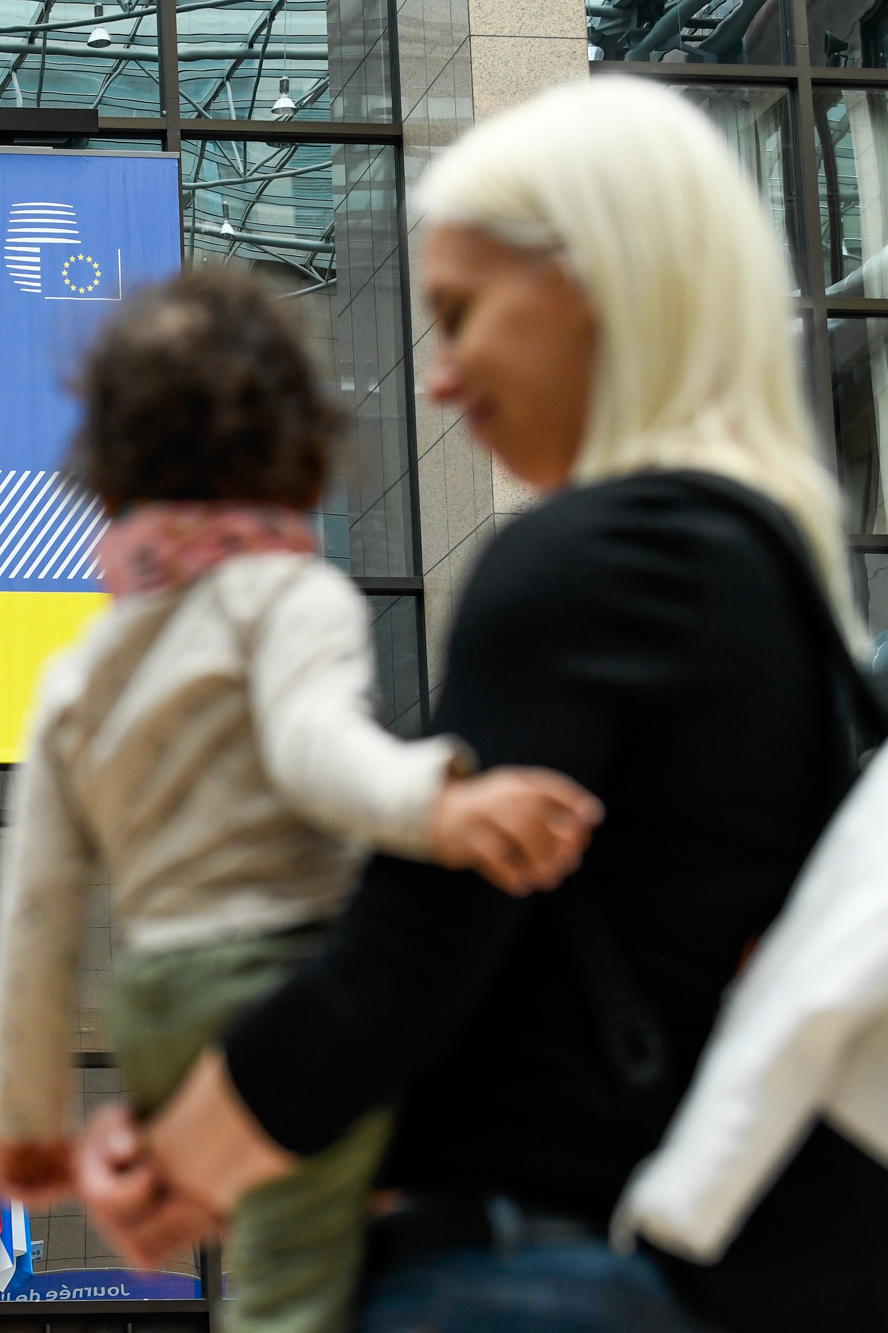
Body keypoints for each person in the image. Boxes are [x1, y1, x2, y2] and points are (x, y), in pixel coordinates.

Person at [70, 77, 888, 1333]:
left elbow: (412, 945)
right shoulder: (781, 588)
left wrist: (181, 1155)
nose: (438, 380)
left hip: (516, 1276)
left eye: (459, 313)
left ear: (593, 278)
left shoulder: (586, 560)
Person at [0, 269, 603, 1333]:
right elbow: (316, 748)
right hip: (278, 981)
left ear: (110, 466)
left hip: (155, 1001)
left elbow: (35, 910)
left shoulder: (81, 669)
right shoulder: (289, 596)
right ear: (300, 442)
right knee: (289, 1289)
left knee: (291, 1240)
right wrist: (440, 802)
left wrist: (30, 1126)